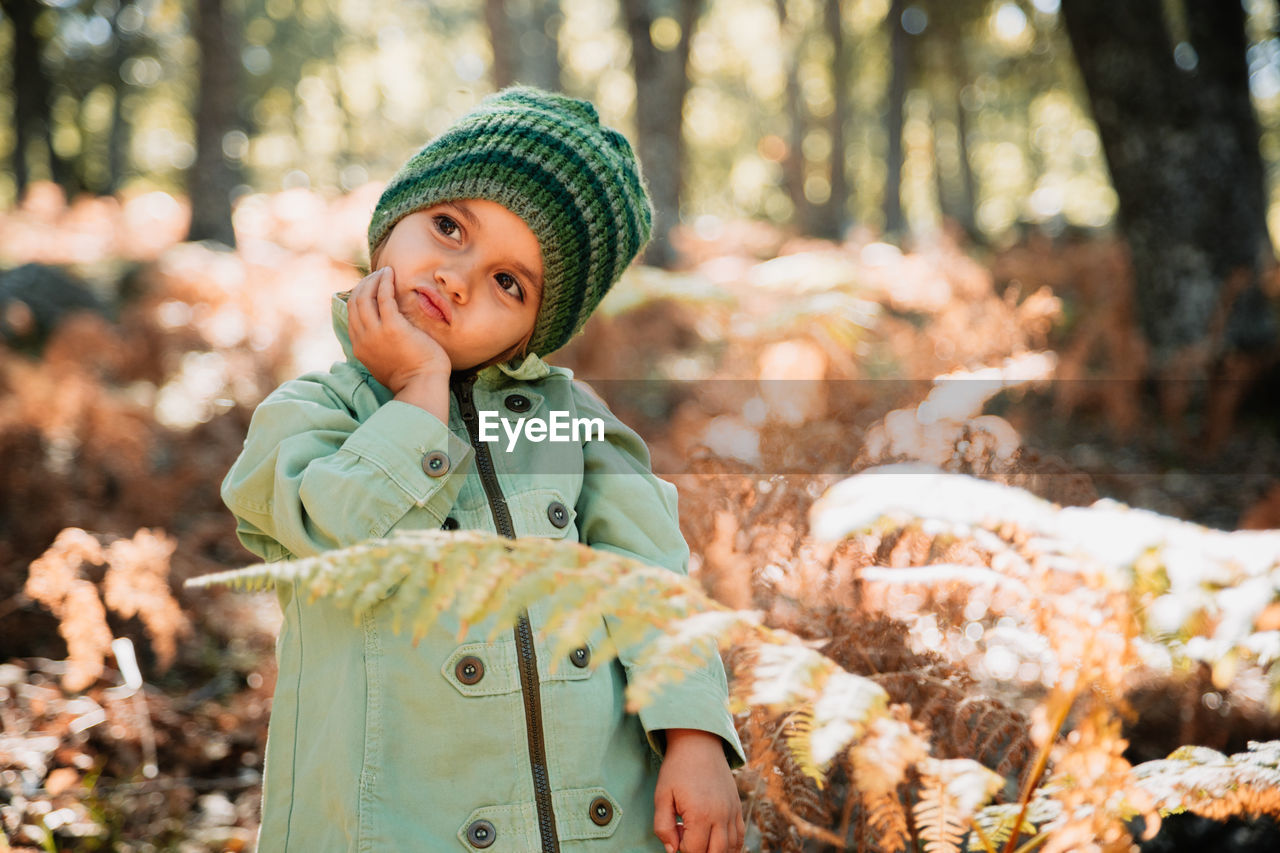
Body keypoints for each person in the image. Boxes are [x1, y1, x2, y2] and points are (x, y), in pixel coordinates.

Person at [221, 86, 746, 853]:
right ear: (394, 217)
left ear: (539, 327)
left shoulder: (577, 422)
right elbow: (347, 545)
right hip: (389, 824)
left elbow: (652, 578)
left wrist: (695, 734)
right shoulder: (307, 416)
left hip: (594, 818)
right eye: (449, 225)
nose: (457, 277)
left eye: (511, 282)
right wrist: (419, 396)